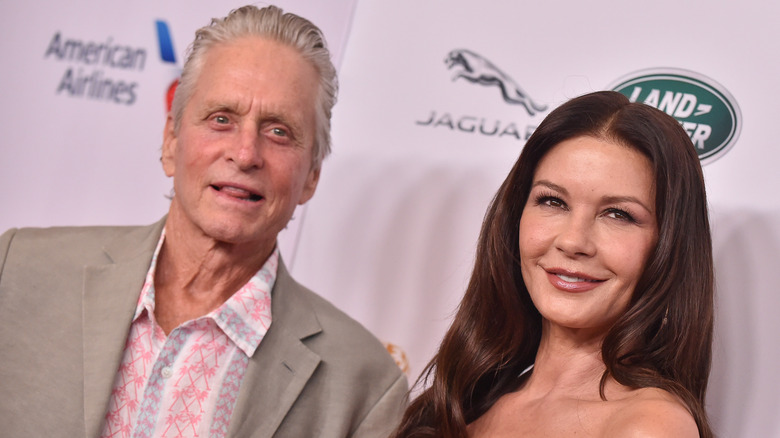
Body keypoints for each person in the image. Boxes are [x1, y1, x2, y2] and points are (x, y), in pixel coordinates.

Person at [0, 5, 407, 437]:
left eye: (278, 131)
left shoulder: (364, 386)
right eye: (221, 119)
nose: (245, 153)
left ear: (311, 177)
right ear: (171, 142)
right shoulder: (19, 270)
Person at [392, 91, 714, 437]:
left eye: (618, 214)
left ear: (667, 245)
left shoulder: (648, 427)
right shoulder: (463, 401)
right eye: (553, 201)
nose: (573, 241)